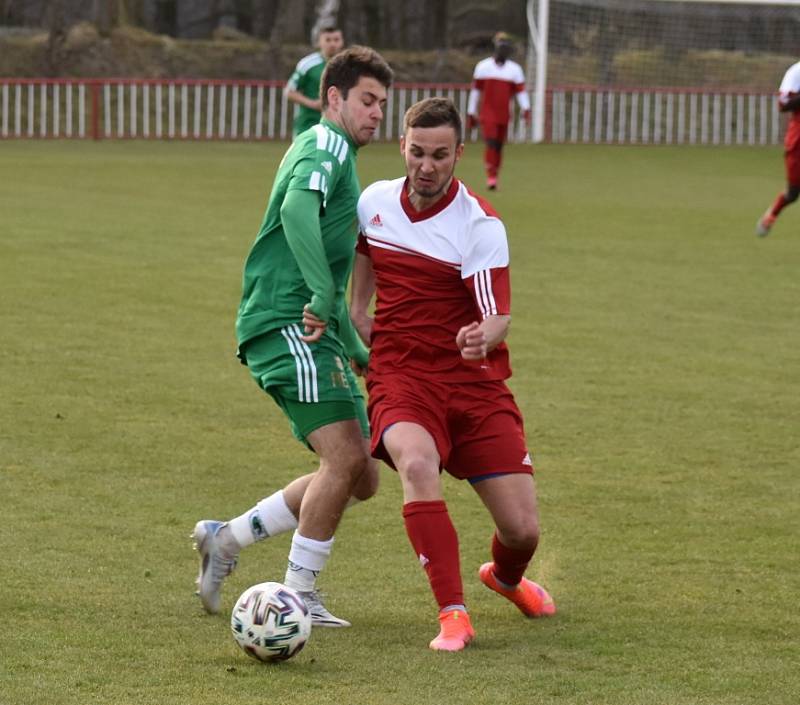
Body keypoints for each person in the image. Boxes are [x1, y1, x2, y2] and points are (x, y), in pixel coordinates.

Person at [193, 46, 394, 628]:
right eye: (367, 100)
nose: (377, 112)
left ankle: (226, 538)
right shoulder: (325, 143)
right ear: (334, 99)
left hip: (309, 325)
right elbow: (298, 211)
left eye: (382, 102)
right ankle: (297, 593)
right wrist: (323, 298)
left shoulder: (343, 157)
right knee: (347, 458)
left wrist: (355, 348)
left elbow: (330, 254)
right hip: (286, 319)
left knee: (364, 475)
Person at [350, 97, 556, 652]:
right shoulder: (373, 202)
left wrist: (483, 334)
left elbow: (497, 314)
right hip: (401, 375)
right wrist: (356, 309)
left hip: (472, 384)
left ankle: (505, 578)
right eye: (417, 152)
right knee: (417, 463)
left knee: (522, 531)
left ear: (458, 154)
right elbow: (365, 251)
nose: (427, 165)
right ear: (402, 147)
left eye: (440, 155)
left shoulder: (480, 225)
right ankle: (453, 614)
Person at [466, 32, 531, 191]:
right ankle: (491, 176)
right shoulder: (483, 67)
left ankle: (495, 174)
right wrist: (471, 112)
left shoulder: (514, 70)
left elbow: (520, 92)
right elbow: (476, 91)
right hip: (487, 113)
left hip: (504, 113)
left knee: (499, 145)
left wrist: (526, 108)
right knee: (491, 142)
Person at [756, 59, 800, 236]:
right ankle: (772, 214)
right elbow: (782, 104)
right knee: (793, 192)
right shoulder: (796, 72)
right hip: (798, 140)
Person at [286, 25, 345, 139]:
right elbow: (289, 92)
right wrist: (313, 104)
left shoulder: (348, 66)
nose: (332, 44)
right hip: (308, 125)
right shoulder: (308, 64)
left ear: (342, 42)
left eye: (336, 40)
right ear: (319, 42)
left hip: (337, 126)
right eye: (328, 40)